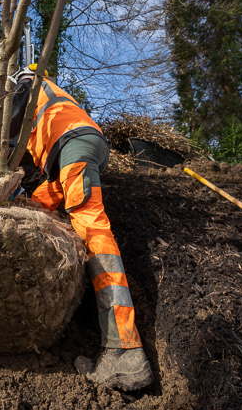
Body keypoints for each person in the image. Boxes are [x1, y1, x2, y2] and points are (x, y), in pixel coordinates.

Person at [10, 68, 153, 391]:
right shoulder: (54, 94)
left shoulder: (28, 83)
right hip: (78, 150)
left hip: (73, 148)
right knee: (36, 207)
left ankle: (125, 349)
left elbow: (10, 126)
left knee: (93, 232)